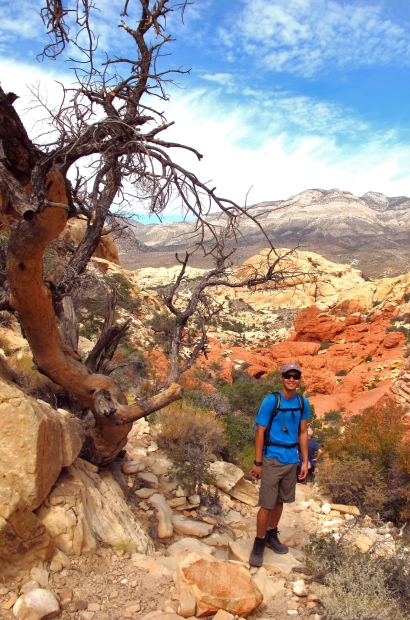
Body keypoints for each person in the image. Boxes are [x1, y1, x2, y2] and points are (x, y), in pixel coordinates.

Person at [249, 363, 310, 567]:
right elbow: (260, 432)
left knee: (280, 501)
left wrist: (305, 461)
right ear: (281, 378)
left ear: (299, 379)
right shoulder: (271, 401)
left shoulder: (303, 402)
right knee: (266, 503)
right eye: (288, 376)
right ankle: (258, 543)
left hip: (291, 459)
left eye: (295, 376)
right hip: (272, 457)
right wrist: (258, 462)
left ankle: (271, 535)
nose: (292, 379)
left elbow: (302, 433)